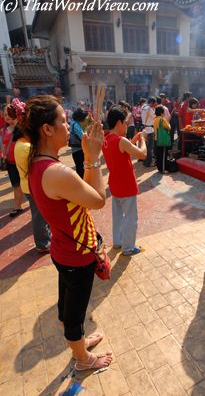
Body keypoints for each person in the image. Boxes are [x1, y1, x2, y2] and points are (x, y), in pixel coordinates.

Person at [25, 95, 112, 371]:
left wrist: (88, 157)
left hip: (63, 249)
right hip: (75, 256)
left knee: (66, 308)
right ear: (47, 129)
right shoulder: (56, 172)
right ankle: (83, 358)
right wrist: (94, 157)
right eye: (63, 120)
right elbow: (98, 200)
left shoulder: (39, 164)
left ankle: (80, 343)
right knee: (74, 317)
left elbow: (84, 197)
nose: (68, 125)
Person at [102, 105, 147, 255]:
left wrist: (133, 140)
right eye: (126, 123)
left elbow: (123, 150)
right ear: (120, 123)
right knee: (130, 218)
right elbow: (142, 154)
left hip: (115, 184)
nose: (127, 126)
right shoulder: (121, 140)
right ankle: (128, 247)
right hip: (126, 185)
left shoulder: (107, 139)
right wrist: (143, 140)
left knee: (118, 216)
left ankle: (118, 242)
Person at [14, 98, 51, 252]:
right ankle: (42, 244)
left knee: (40, 214)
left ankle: (44, 239)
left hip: (28, 184)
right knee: (39, 216)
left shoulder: (21, 144)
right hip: (31, 185)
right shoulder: (26, 147)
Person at [2, 103, 24, 217]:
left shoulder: (20, 127)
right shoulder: (4, 129)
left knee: (28, 184)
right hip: (10, 163)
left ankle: (34, 203)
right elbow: (4, 145)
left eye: (9, 114)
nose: (6, 116)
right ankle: (17, 206)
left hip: (22, 162)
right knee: (16, 185)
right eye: (5, 114)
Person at [69, 107, 88, 178]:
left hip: (75, 150)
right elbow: (83, 137)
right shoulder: (76, 125)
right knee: (81, 170)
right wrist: (87, 132)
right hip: (79, 150)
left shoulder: (72, 123)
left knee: (79, 168)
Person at [154, 105, 171, 173]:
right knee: (163, 155)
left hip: (157, 139)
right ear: (161, 113)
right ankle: (163, 169)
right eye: (163, 112)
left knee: (159, 154)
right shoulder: (162, 119)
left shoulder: (155, 119)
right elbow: (169, 128)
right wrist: (168, 122)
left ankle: (159, 168)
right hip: (162, 140)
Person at [141, 96, 157, 167]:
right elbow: (154, 117)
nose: (155, 104)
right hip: (150, 129)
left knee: (147, 146)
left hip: (146, 128)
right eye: (154, 103)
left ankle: (145, 161)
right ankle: (148, 163)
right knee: (150, 147)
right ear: (152, 103)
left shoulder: (144, 107)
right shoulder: (150, 108)